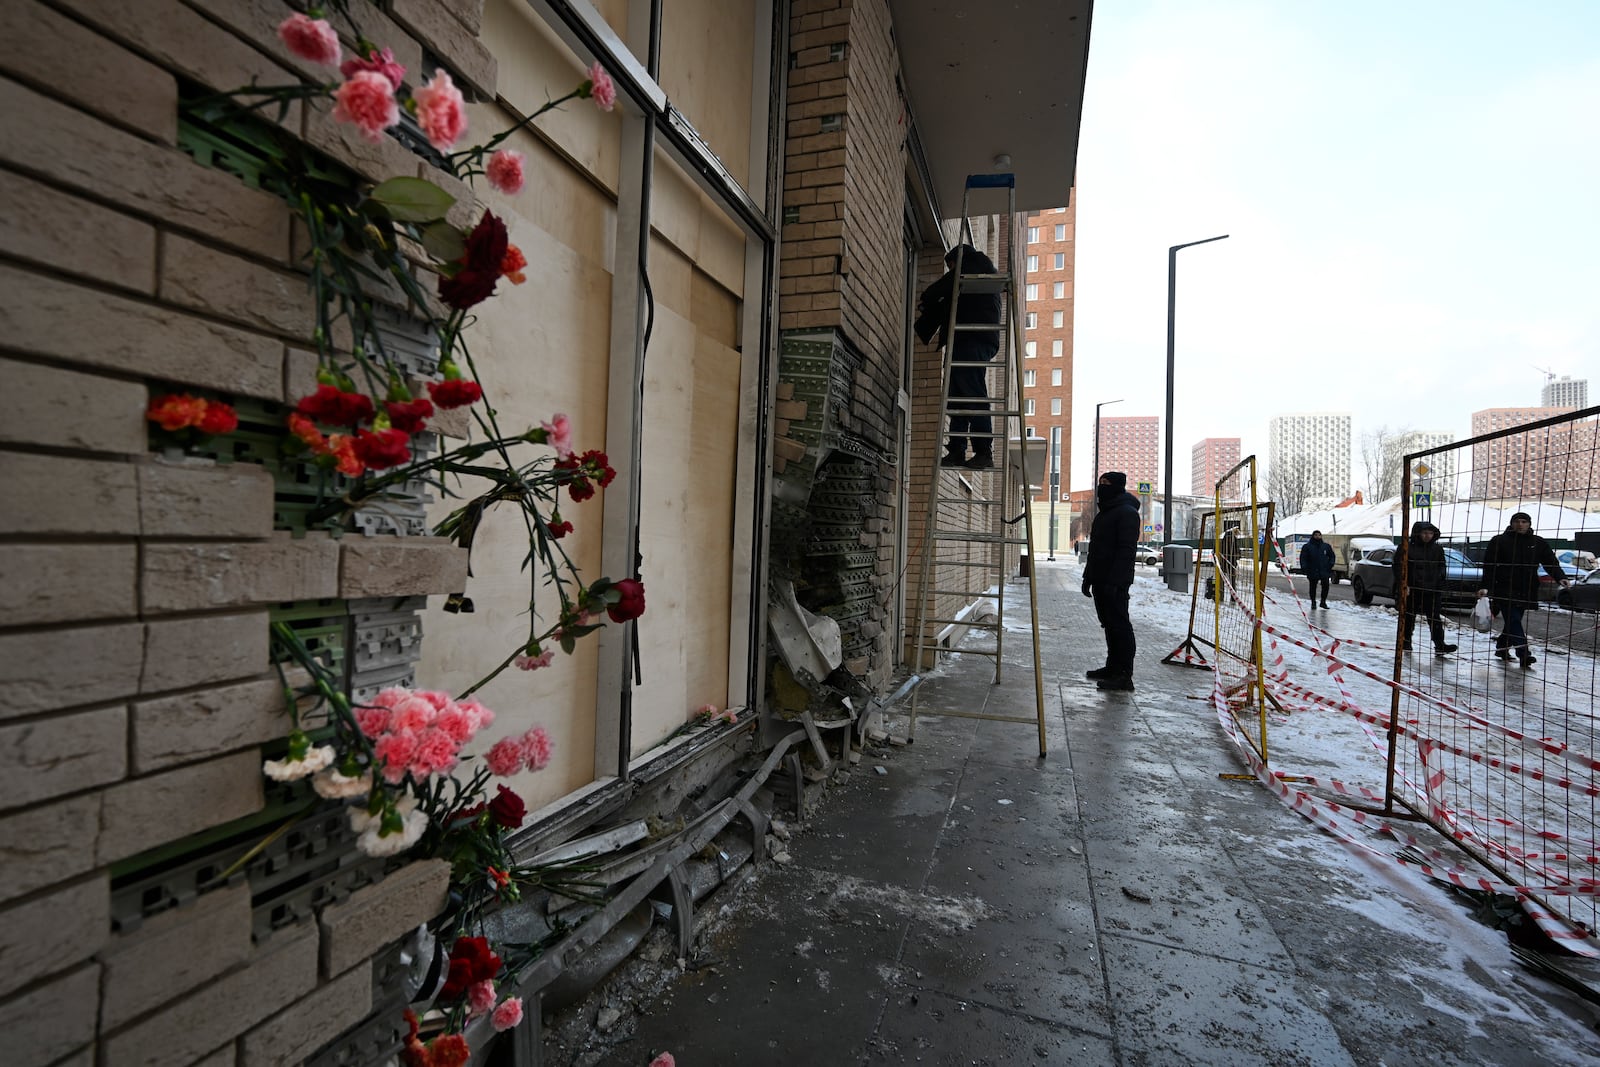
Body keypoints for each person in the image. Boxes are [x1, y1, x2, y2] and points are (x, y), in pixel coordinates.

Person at [914, 244, 1002, 469]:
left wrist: (927, 297)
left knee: (972, 395)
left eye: (950, 266)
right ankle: (956, 449)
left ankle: (983, 451)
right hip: (965, 340)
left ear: (956, 261)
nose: (950, 270)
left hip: (971, 339)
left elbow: (945, 285)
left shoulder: (974, 264)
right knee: (957, 397)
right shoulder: (971, 275)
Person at [1478, 512, 1568, 668]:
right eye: (1517, 521)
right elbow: (1489, 565)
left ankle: (1501, 647)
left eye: (1524, 522)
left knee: (1514, 622)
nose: (1520, 525)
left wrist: (1560, 577)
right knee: (1513, 620)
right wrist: (1485, 586)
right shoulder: (1499, 541)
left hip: (1527, 587)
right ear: (1512, 523)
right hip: (1504, 587)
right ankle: (1524, 654)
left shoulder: (1537, 542)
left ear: (1529, 524)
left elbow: (1550, 562)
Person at [1082, 472, 1140, 691]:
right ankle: (1112, 667)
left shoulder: (1126, 513)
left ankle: (1124, 675)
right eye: (1100, 483)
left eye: (1106, 484)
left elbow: (1126, 551)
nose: (1102, 487)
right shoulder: (1106, 513)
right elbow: (1096, 550)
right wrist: (1088, 577)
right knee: (1109, 625)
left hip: (1115, 582)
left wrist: (1115, 582)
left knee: (1120, 626)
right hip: (1100, 579)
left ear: (1117, 486)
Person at [1401, 521, 1456, 656]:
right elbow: (1399, 566)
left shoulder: (1437, 549)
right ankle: (1406, 641)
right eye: (1424, 533)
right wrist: (1403, 584)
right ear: (1418, 534)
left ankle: (1439, 644)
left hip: (1432, 589)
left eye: (1430, 533)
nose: (1427, 536)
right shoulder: (1407, 547)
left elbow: (1442, 565)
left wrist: (1440, 577)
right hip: (1413, 588)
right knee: (1409, 616)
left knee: (1435, 618)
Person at [1301, 530, 1335, 608]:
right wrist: (1304, 567)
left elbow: (1332, 556)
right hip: (1312, 570)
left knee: (1325, 586)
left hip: (1324, 570)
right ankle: (1313, 602)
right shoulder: (1307, 546)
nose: (1317, 537)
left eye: (1319, 535)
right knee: (1313, 587)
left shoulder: (1326, 546)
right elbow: (1303, 558)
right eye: (1316, 535)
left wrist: (1330, 564)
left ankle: (1323, 602)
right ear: (1313, 536)